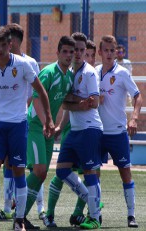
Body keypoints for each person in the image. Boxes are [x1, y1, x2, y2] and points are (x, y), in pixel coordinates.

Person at [0, 26, 53, 231]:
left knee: (18, 170)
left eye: (3, 45)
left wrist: (49, 119)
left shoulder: (24, 65)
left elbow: (40, 91)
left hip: (18, 125)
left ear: (10, 45)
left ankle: (19, 221)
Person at [44, 38, 99, 228]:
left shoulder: (89, 73)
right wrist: (76, 105)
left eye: (81, 50)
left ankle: (94, 217)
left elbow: (94, 102)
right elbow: (65, 103)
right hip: (74, 130)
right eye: (74, 49)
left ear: (85, 52)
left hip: (89, 129)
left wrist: (77, 103)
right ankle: (92, 202)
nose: (77, 53)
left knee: (91, 172)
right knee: (61, 170)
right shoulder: (69, 74)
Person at [0, 23, 44, 225]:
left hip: (25, 121)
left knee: (29, 165)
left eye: (7, 41)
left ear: (13, 42)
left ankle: (40, 208)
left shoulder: (29, 63)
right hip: (6, 121)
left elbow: (36, 92)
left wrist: (21, 109)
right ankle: (7, 208)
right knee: (8, 162)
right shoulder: (1, 62)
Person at [24, 36, 75, 227]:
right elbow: (36, 98)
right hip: (36, 126)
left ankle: (22, 213)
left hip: (47, 129)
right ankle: (19, 209)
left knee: (42, 173)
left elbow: (68, 103)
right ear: (58, 53)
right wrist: (47, 123)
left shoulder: (69, 77)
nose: (69, 55)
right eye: (65, 51)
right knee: (38, 170)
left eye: (72, 52)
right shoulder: (48, 72)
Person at [96, 35, 142, 228]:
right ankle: (95, 214)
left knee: (125, 172)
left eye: (112, 50)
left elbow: (137, 96)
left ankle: (131, 215)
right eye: (105, 50)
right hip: (96, 131)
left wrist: (134, 118)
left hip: (117, 132)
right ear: (100, 52)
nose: (109, 54)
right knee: (93, 173)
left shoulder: (122, 73)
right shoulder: (93, 72)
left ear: (116, 53)